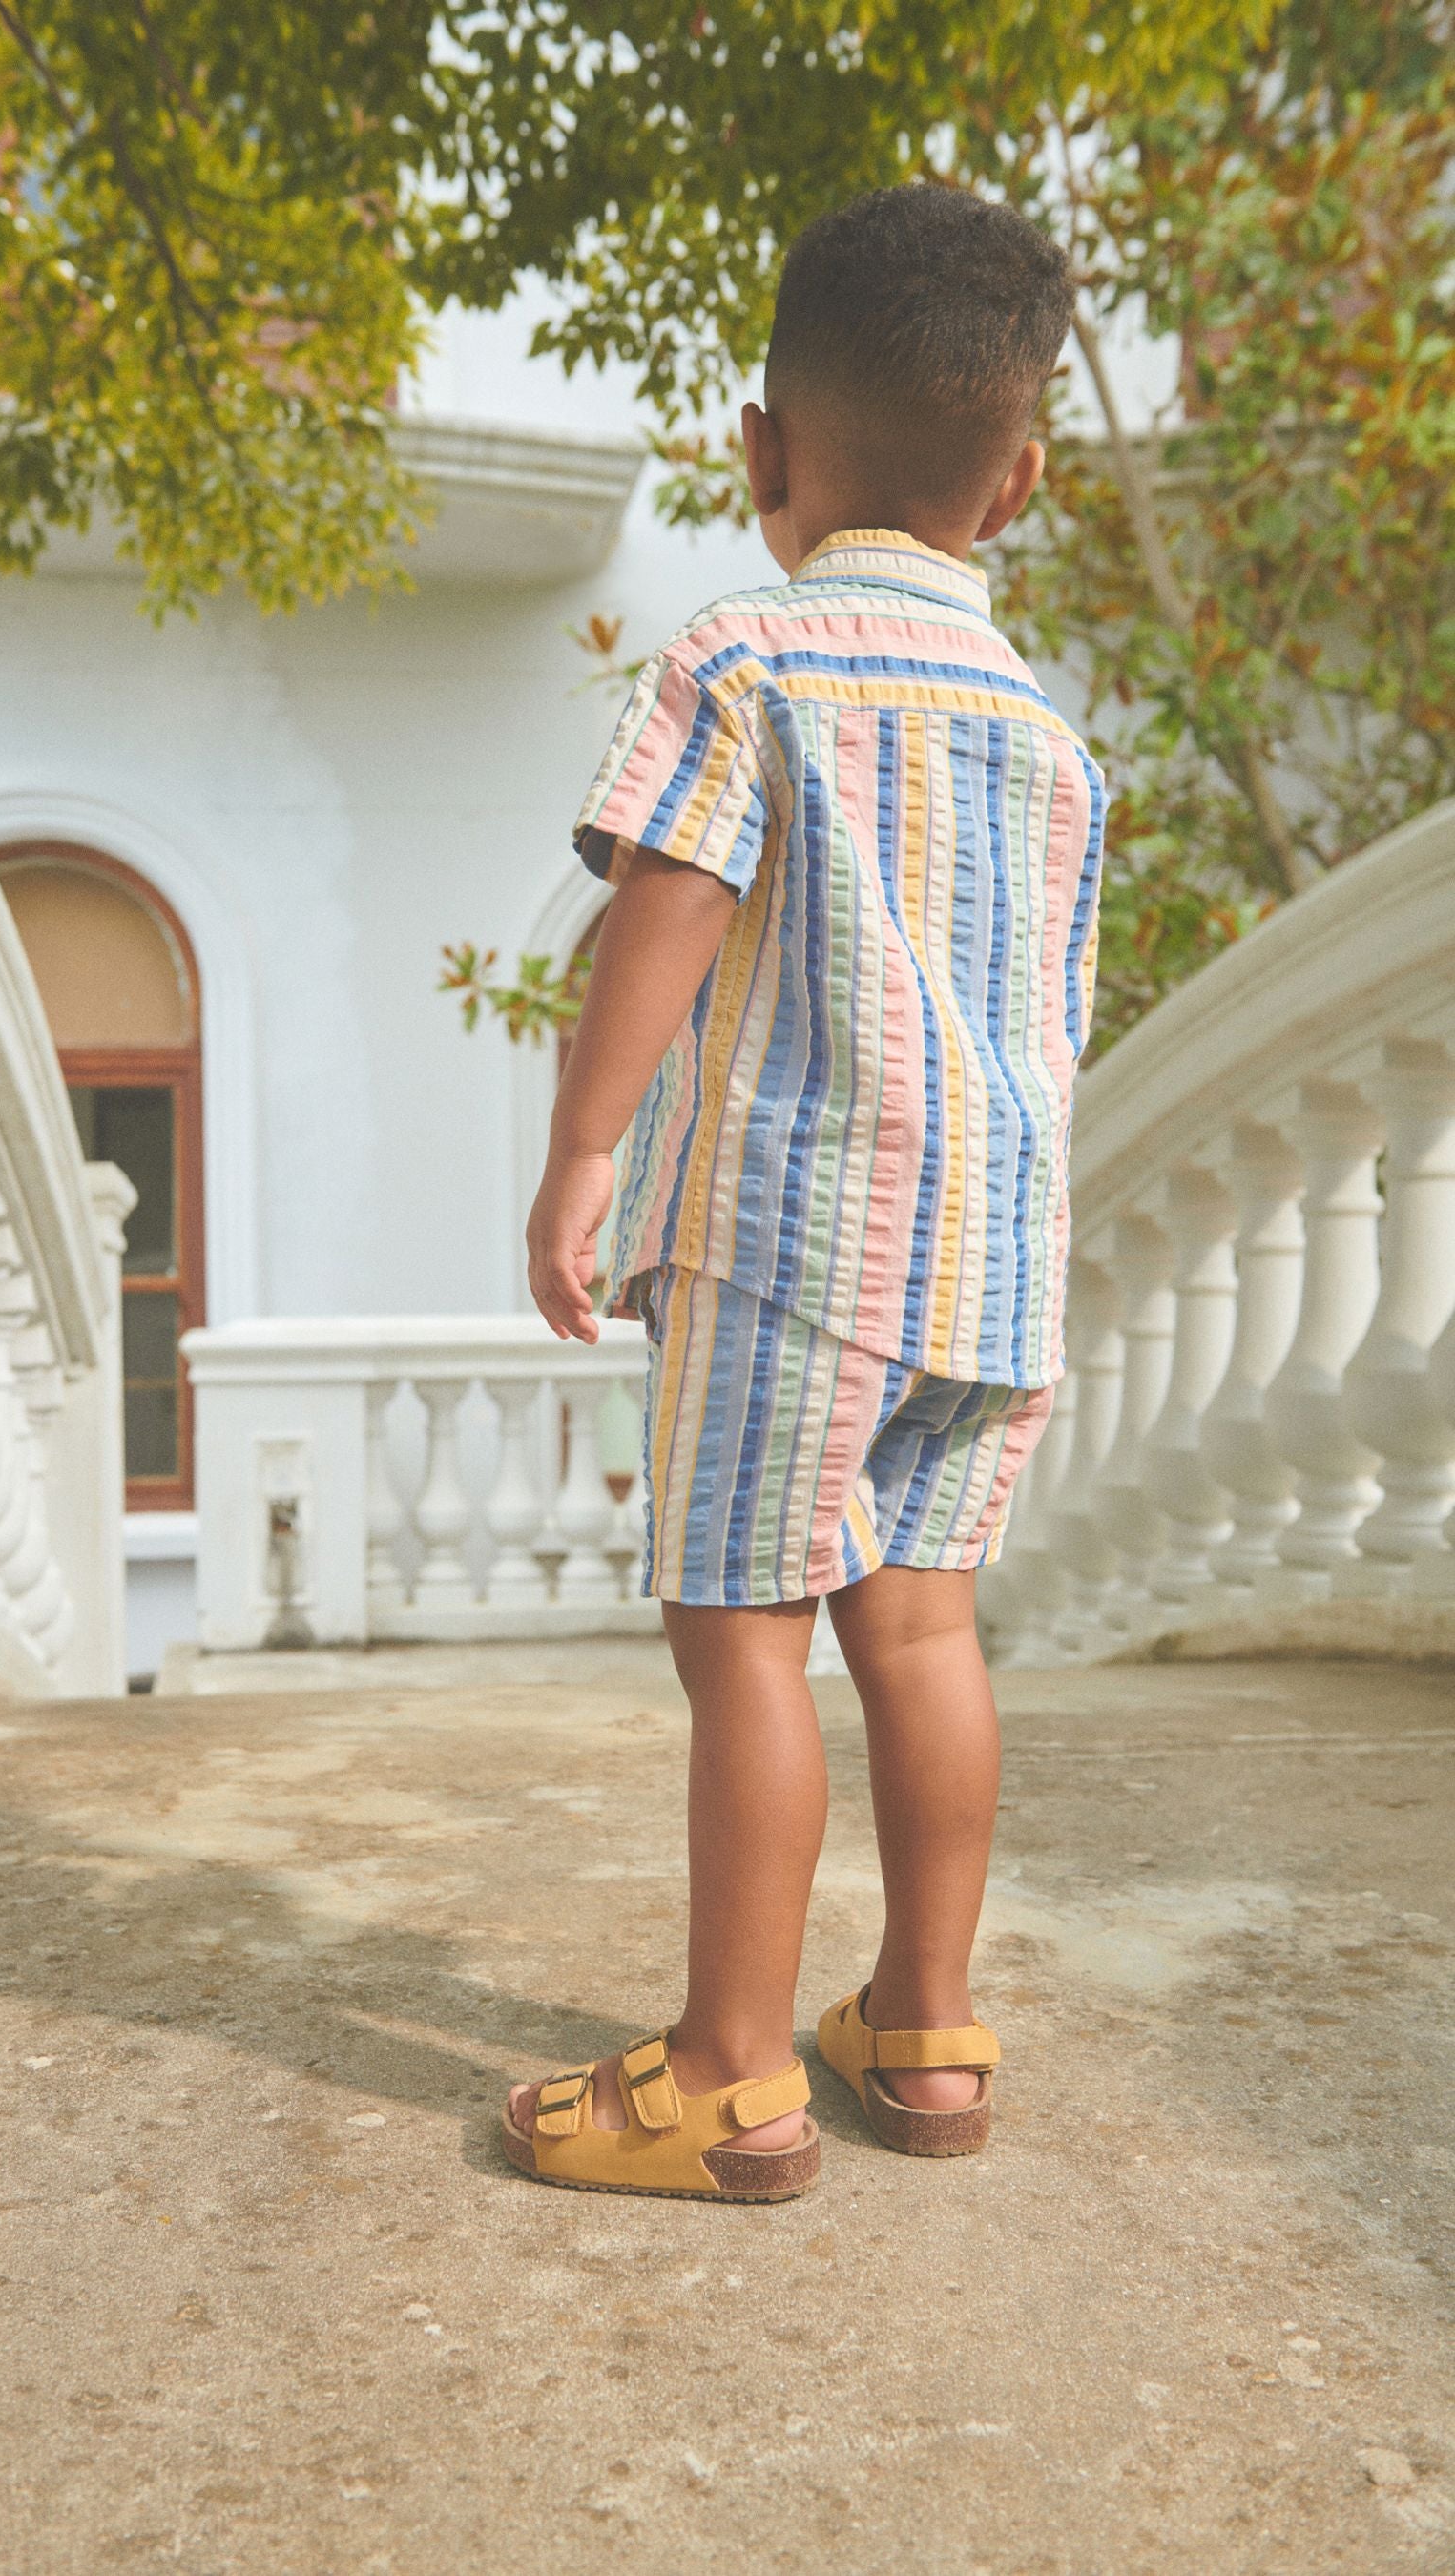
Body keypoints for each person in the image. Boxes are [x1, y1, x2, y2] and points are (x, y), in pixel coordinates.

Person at [501, 184, 1104, 2202]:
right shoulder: (1049, 733)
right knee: (922, 1632)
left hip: (792, 1236)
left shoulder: (743, 659)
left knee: (743, 1629)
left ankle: (730, 2073)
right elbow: (1043, 1009)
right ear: (1014, 481)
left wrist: (585, 1150)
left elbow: (667, 904)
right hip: (991, 1262)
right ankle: (926, 2031)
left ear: (764, 446)